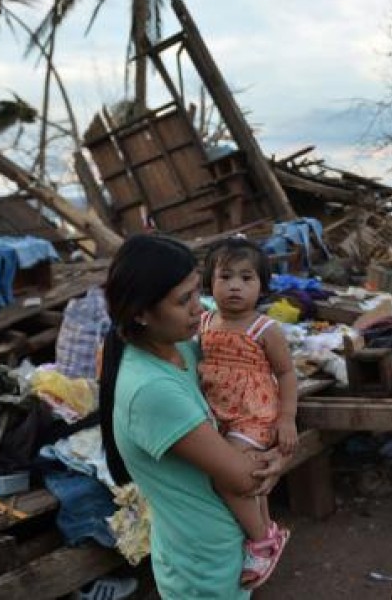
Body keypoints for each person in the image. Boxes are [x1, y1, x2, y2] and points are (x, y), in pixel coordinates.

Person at [99, 234, 289, 599]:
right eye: (184, 300)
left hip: (220, 549)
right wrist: (278, 457)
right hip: (204, 566)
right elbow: (243, 478)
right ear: (140, 313)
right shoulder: (152, 390)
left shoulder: (181, 345)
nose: (199, 308)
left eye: (198, 292)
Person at [199, 237, 297, 588]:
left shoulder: (265, 328)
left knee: (226, 476)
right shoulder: (204, 322)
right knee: (252, 476)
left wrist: (287, 419)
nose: (235, 286)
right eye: (225, 277)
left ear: (262, 286)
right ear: (210, 282)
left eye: (246, 278)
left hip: (253, 415)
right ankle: (267, 528)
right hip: (218, 414)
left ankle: (262, 542)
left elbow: (286, 374)